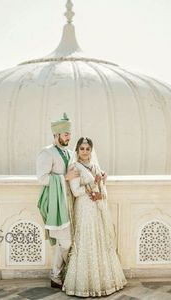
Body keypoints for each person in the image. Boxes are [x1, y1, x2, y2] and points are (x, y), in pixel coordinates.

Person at [63, 137, 127, 297]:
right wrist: (93, 185)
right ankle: (83, 285)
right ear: (77, 151)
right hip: (84, 208)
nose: (85, 151)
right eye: (82, 149)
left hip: (96, 208)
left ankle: (104, 282)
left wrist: (100, 194)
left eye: (88, 149)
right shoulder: (75, 167)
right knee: (86, 241)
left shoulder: (95, 166)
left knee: (99, 240)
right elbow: (76, 191)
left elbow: (102, 188)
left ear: (91, 150)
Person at [36, 113, 80, 289]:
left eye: (69, 133)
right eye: (65, 134)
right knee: (65, 241)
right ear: (56, 135)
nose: (68, 136)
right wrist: (64, 178)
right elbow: (42, 178)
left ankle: (58, 275)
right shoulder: (47, 153)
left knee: (68, 240)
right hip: (56, 203)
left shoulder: (70, 153)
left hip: (70, 201)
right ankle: (55, 273)